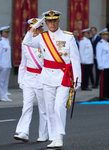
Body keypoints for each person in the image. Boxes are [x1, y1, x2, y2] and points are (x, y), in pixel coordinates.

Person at [22, 10, 81, 148]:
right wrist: (37, 24)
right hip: (47, 77)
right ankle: (53, 137)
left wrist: (77, 80)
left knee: (59, 106)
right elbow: (27, 41)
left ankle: (59, 137)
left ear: (59, 21)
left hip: (63, 78)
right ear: (46, 22)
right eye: (49, 21)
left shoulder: (68, 37)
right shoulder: (42, 37)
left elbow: (75, 60)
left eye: (54, 20)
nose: (52, 23)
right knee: (49, 109)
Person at [14, 18, 48, 142]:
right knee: (26, 106)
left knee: (43, 108)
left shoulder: (45, 42)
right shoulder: (25, 43)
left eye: (36, 28)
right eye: (31, 28)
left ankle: (43, 133)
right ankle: (23, 132)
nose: (33, 31)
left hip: (41, 78)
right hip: (28, 78)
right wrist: (21, 80)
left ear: (41, 29)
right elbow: (23, 63)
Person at [96, 28, 109, 100]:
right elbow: (98, 55)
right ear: (102, 36)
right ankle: (103, 96)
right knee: (103, 82)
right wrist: (100, 65)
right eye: (106, 34)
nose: (108, 35)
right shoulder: (100, 44)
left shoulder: (107, 43)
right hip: (104, 66)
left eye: (108, 34)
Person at [0, 26, 12, 102]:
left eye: (8, 32)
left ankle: (5, 95)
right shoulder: (0, 42)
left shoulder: (7, 41)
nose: (8, 33)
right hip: (2, 64)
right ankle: (0, 95)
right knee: (1, 81)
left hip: (7, 64)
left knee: (6, 81)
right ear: (2, 33)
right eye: (6, 32)